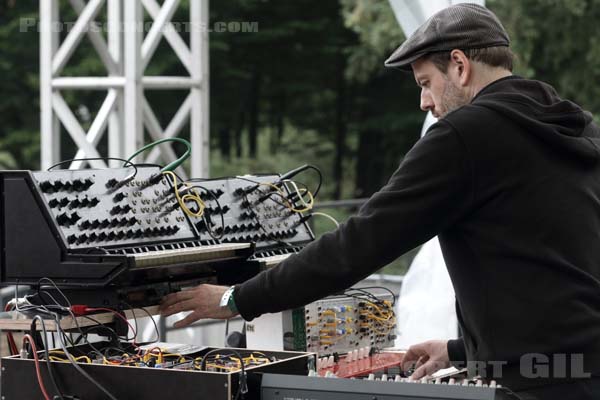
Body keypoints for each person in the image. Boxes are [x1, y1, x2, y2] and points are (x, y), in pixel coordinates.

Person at [160, 4, 600, 398]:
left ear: (461, 66)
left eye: (426, 82)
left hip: (539, 385)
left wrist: (236, 299)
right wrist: (458, 350)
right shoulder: (576, 130)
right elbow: (554, 271)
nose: (425, 102)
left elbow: (361, 242)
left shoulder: (467, 135)